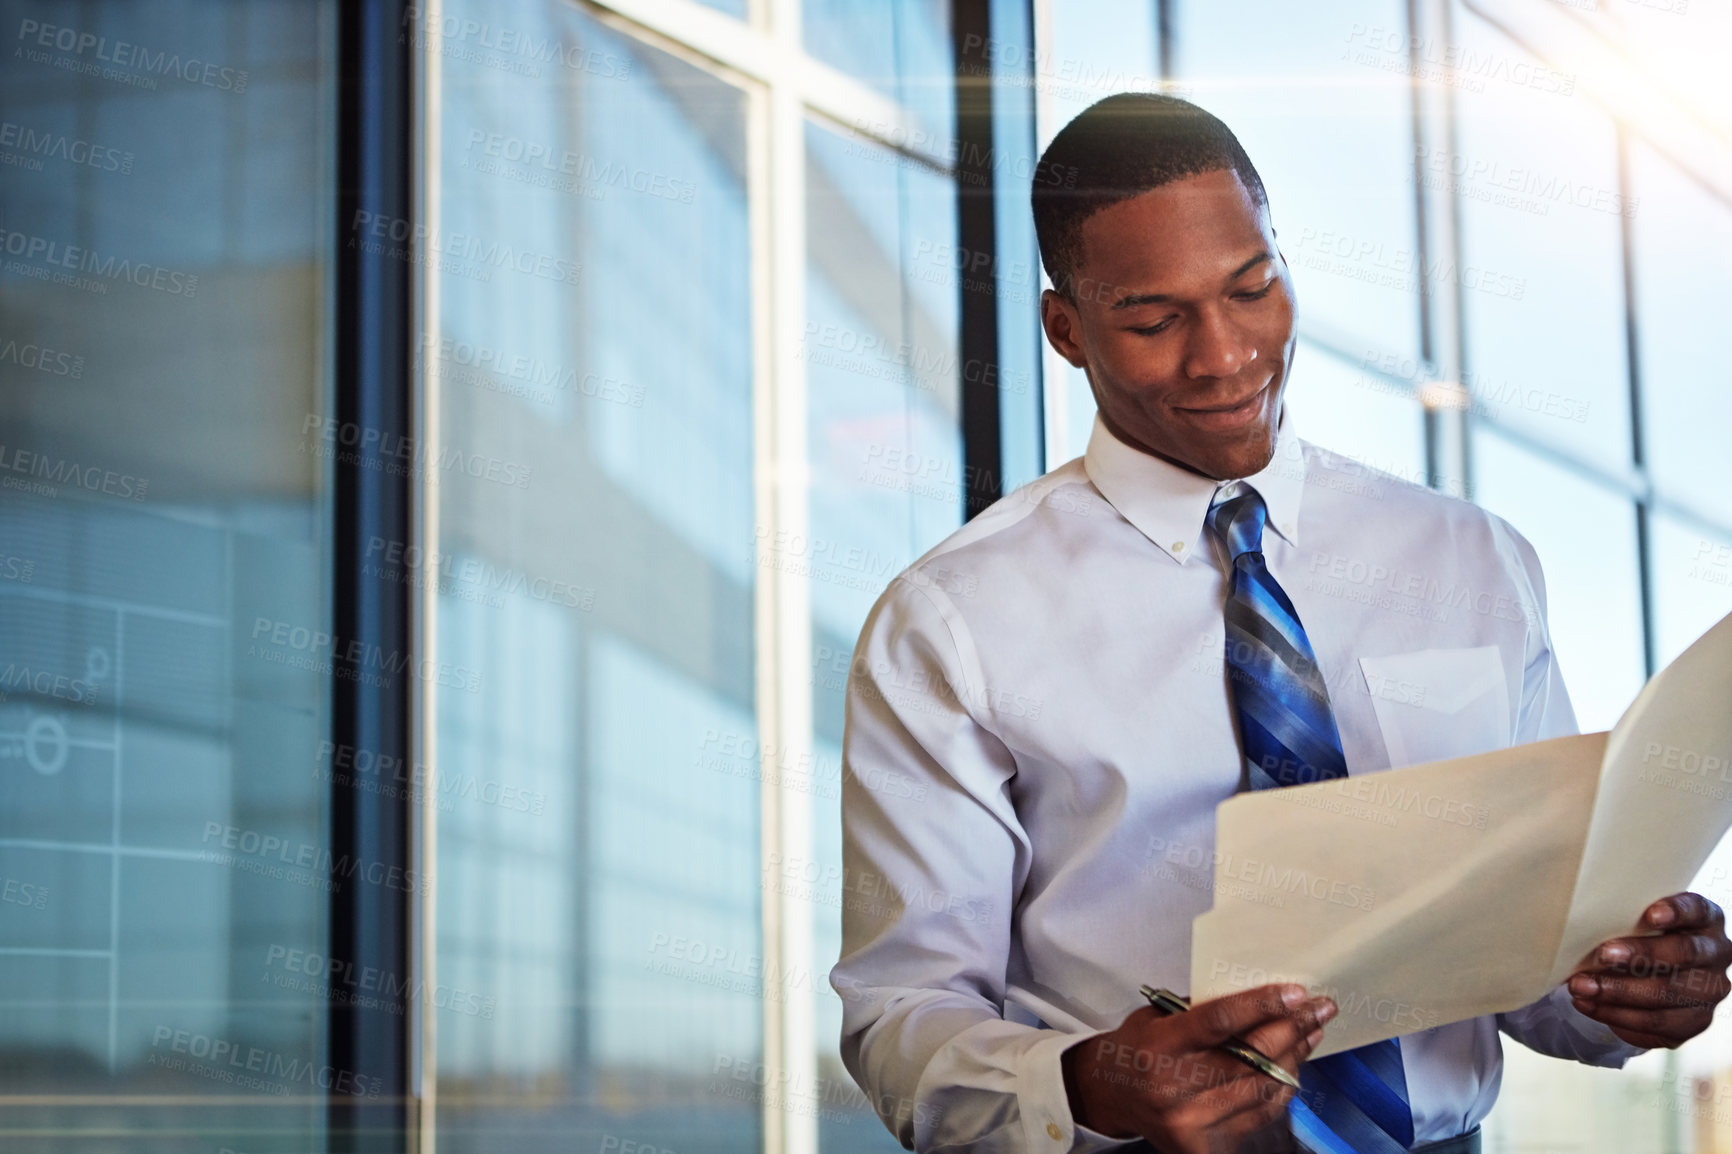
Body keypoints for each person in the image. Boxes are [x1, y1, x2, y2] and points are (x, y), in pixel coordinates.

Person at [828, 93, 1732, 1154]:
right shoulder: (952, 619)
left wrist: (1622, 988)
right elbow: (900, 1018)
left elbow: (1536, 966)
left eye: (1251, 288)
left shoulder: (1471, 560)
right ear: (1065, 331)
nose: (1223, 357)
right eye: (1155, 319)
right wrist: (1093, 1082)